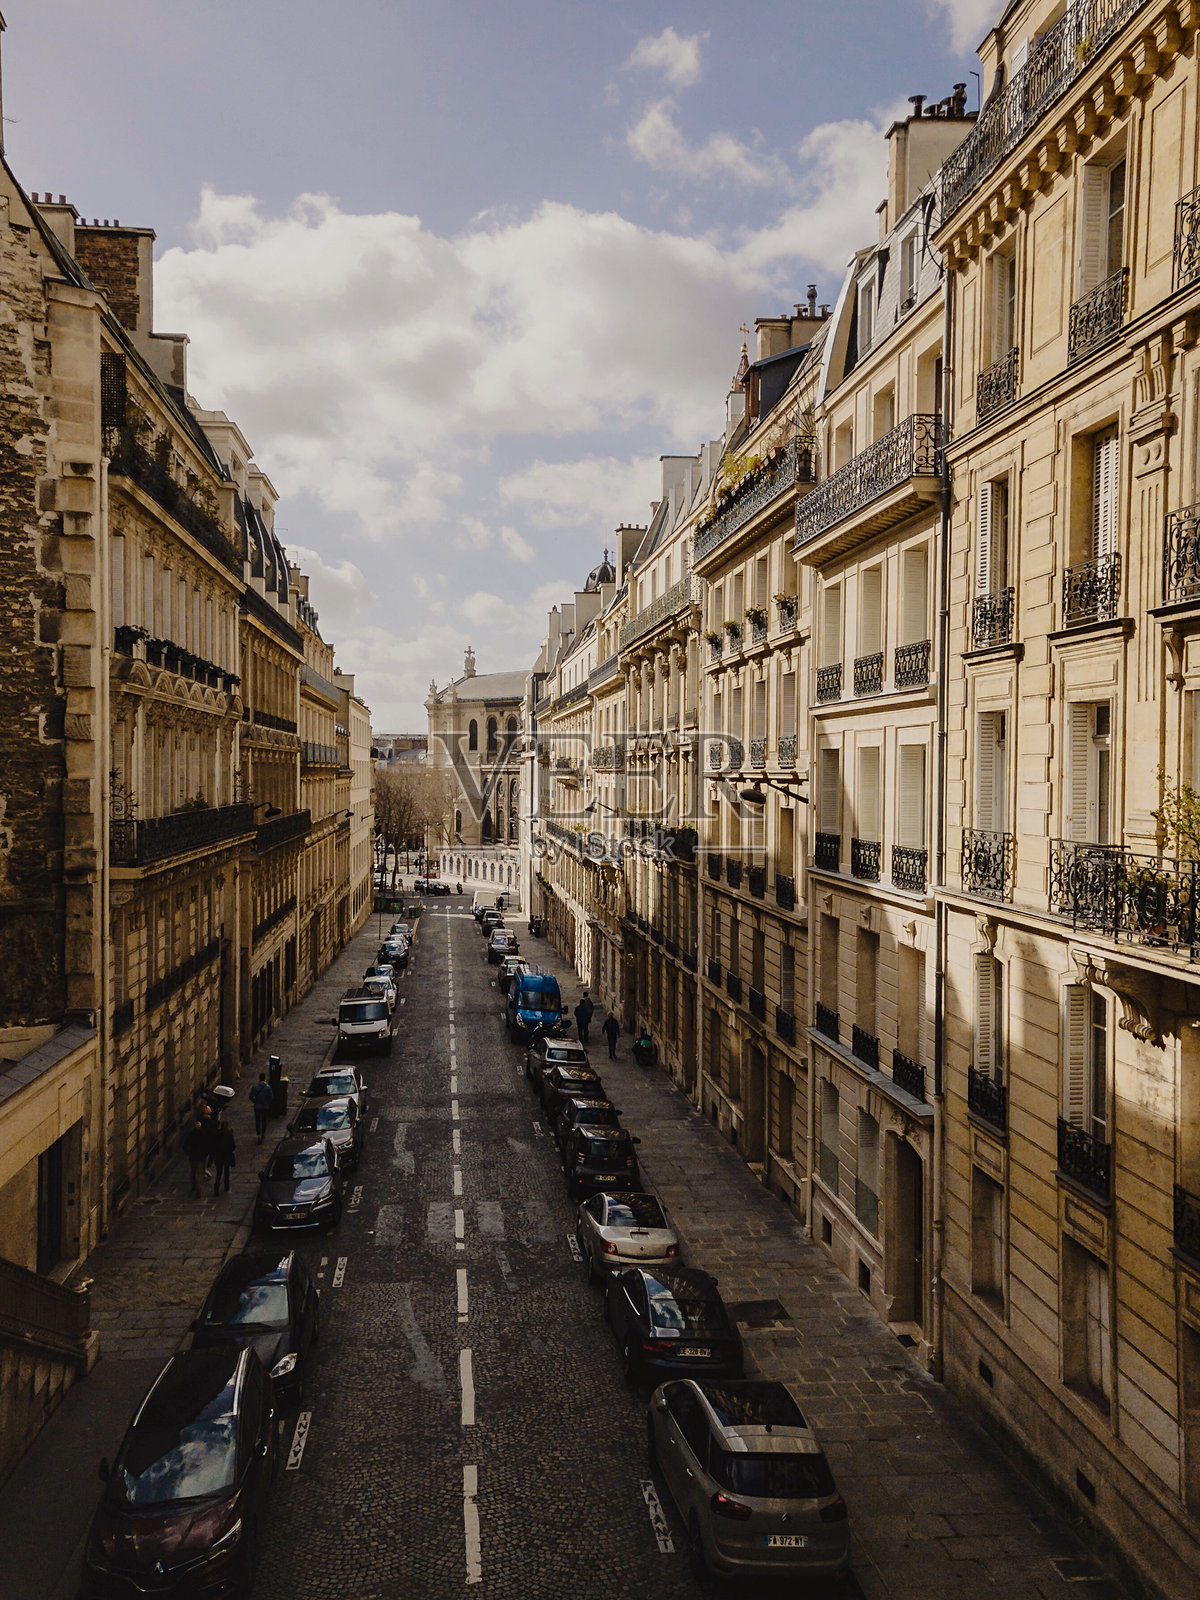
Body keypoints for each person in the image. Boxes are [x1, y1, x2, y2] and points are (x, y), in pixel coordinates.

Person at [183, 1118, 207, 1199]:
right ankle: (198, 1191)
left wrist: (188, 1153)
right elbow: (206, 1146)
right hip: (200, 1157)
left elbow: (185, 1145)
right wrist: (205, 1154)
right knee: (199, 1173)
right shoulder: (203, 1134)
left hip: (193, 1156)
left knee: (193, 1172)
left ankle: (193, 1186)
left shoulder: (191, 1134)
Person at [212, 1116, 236, 1196]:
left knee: (219, 1173)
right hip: (226, 1156)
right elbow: (233, 1146)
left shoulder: (217, 1134)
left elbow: (214, 1145)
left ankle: (216, 1189)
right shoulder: (229, 1134)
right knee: (226, 1171)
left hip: (219, 1156)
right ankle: (226, 1186)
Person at [249, 1073, 274, 1143]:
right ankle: (263, 1133)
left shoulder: (255, 1087)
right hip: (265, 1107)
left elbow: (250, 1096)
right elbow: (271, 1097)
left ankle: (258, 1134)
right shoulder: (268, 1087)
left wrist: (254, 1101)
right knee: (264, 1120)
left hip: (257, 1106)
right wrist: (267, 1102)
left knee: (257, 1121)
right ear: (264, 1078)